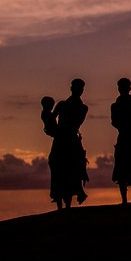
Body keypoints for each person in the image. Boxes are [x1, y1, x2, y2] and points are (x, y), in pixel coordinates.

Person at [44, 78, 90, 209]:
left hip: (68, 140)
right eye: (77, 87)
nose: (79, 90)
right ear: (72, 88)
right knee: (59, 170)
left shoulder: (81, 107)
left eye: (80, 88)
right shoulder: (64, 105)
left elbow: (74, 123)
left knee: (72, 169)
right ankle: (61, 204)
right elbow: (51, 121)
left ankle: (67, 204)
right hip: (63, 140)